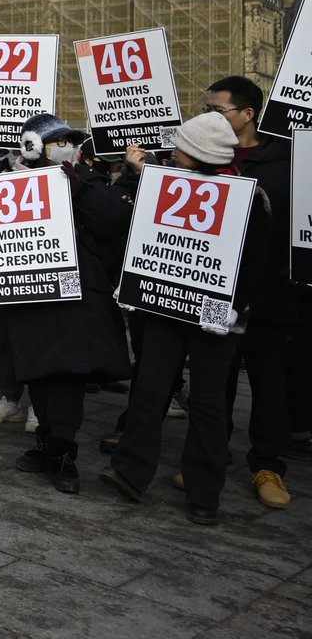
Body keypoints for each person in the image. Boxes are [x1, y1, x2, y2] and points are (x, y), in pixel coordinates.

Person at [101, 110, 271, 524]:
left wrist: (231, 309)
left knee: (210, 402)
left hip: (215, 316)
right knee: (149, 388)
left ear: (196, 154)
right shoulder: (164, 185)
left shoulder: (249, 197)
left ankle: (204, 491)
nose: (173, 153)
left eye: (180, 148)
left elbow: (255, 265)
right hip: (164, 307)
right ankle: (130, 470)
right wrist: (135, 282)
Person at [0, 113, 133, 494]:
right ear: (35, 146)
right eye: (60, 141)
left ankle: (63, 453)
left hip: (76, 296)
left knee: (68, 375)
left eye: (71, 140)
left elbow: (114, 222)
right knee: (38, 372)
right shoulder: (10, 184)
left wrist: (79, 189)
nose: (68, 146)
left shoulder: (85, 180)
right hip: (29, 292)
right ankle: (44, 442)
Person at [208, 77, 296, 508]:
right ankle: (208, 457)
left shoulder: (287, 158)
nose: (211, 117)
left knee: (268, 381)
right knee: (215, 380)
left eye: (219, 110)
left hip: (270, 292)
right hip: (215, 289)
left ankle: (268, 466)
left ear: (247, 114)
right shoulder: (206, 154)